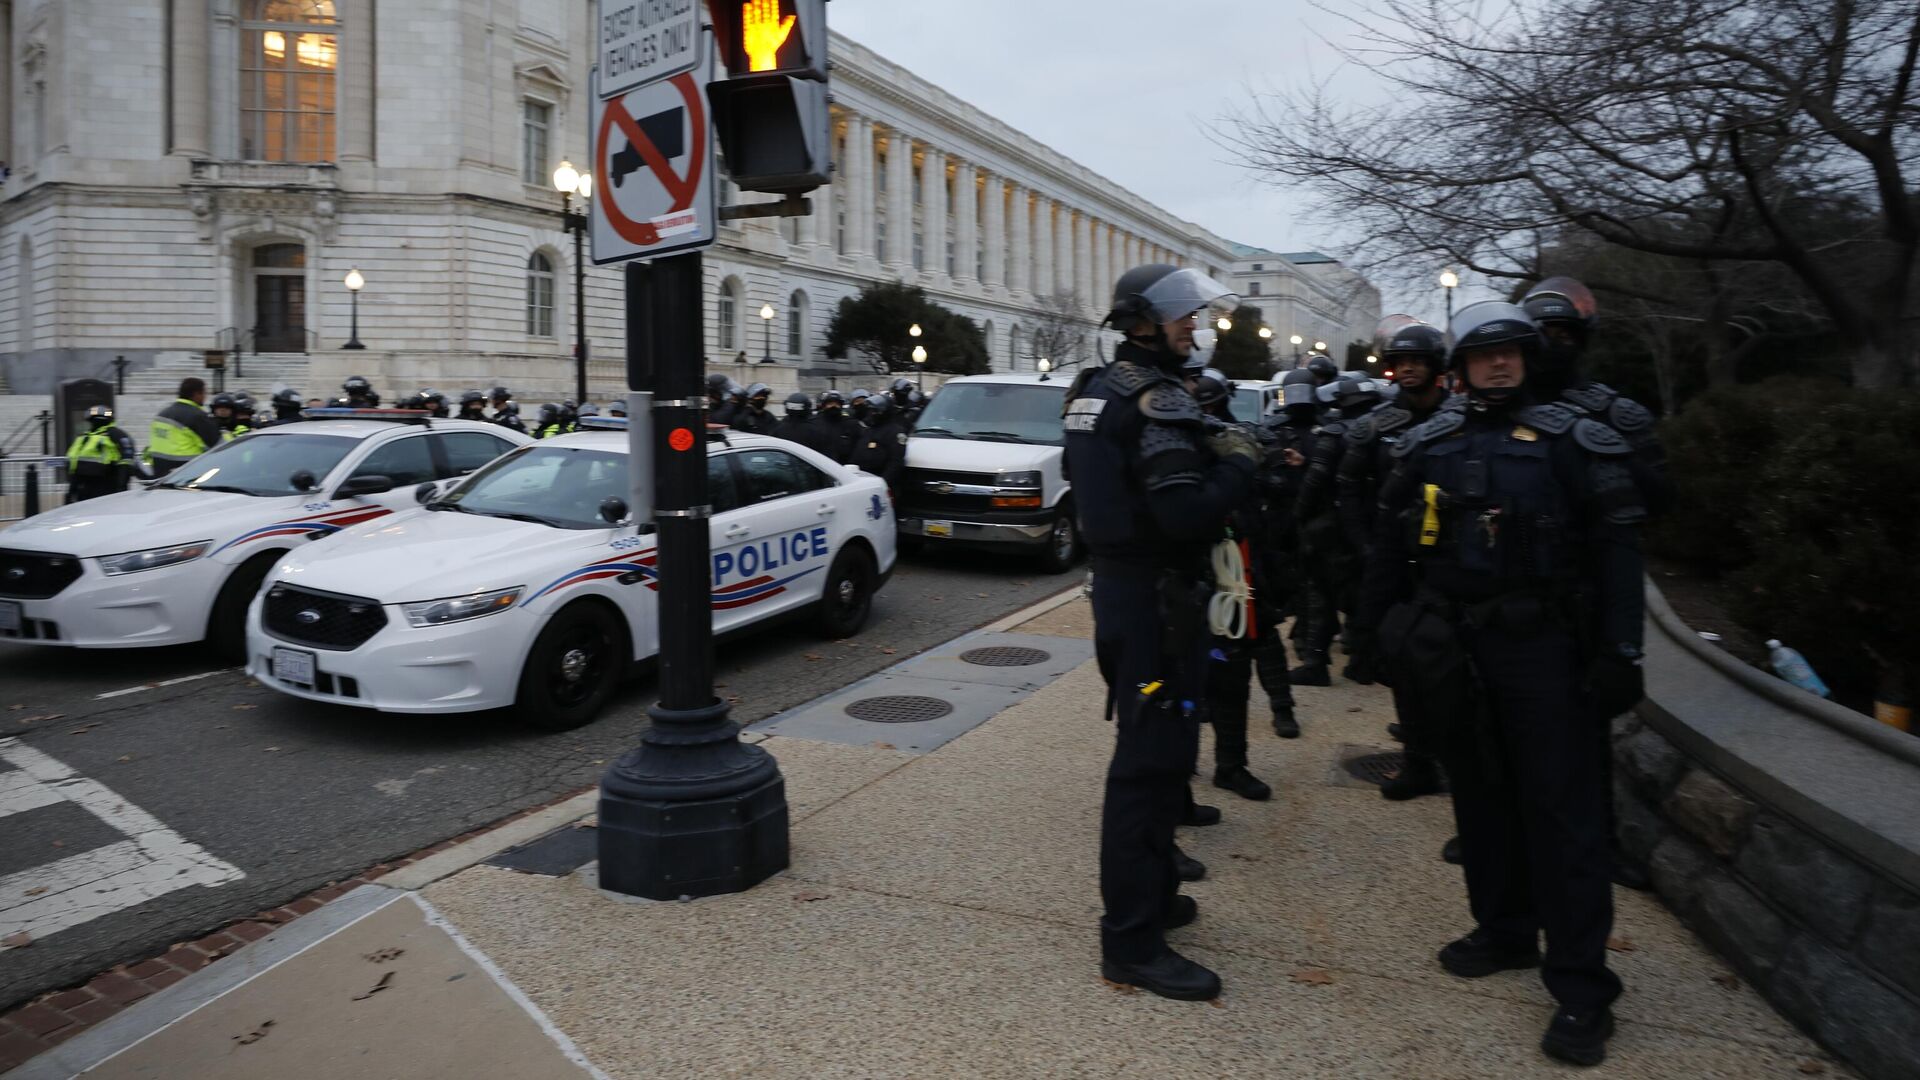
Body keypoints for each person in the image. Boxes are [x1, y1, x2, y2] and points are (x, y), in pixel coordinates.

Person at [1361, 301, 1646, 1067]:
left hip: (1547, 650)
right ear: (1461, 368)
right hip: (1458, 648)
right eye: (1483, 357)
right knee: (1481, 799)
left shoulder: (1577, 443)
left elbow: (1621, 553)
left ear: (1528, 359)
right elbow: (1389, 540)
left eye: (1510, 354)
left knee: (1565, 814)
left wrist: (1623, 651)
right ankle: (1506, 929)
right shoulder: (1430, 442)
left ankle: (1583, 987)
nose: (1498, 366)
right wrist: (1373, 633)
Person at [1066, 264, 1262, 1002]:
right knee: (1148, 773)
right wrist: (1239, 465)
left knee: (1160, 754)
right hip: (1156, 601)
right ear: (1145, 322)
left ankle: (1154, 900)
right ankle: (1132, 942)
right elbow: (1185, 513)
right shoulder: (1157, 399)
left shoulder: (1091, 388)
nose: (1195, 328)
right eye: (1185, 318)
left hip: (1124, 595)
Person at [1340, 319, 1451, 800]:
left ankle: (1463, 772)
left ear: (1435, 367)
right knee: (1404, 665)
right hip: (1396, 563)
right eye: (1399, 363)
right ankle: (1419, 762)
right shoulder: (1376, 426)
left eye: (1417, 362)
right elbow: (1345, 487)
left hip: (1454, 568)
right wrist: (1367, 545)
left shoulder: (1462, 417)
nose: (1407, 370)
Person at [1186, 367, 1274, 802]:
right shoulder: (1170, 441)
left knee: (1232, 667)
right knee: (1176, 679)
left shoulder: (1234, 441)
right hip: (1185, 574)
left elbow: (1256, 504)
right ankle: (1181, 769)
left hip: (1229, 571)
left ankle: (1231, 764)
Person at [1521, 278, 1672, 515]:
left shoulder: (1616, 413)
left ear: (1581, 341)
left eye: (1563, 336)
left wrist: (1609, 453)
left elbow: (1662, 499)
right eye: (1544, 336)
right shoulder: (1503, 409)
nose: (1552, 344)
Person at [146, 378, 220, 478]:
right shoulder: (197, 416)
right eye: (204, 393)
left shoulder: (162, 414)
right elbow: (216, 446)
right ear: (196, 394)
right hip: (187, 472)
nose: (205, 397)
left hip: (160, 472)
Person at [65, 406, 138, 501]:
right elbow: (73, 463)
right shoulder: (83, 438)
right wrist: (71, 491)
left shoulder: (116, 434)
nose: (97, 420)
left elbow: (127, 459)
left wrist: (121, 486)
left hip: (108, 486)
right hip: (83, 488)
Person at [849, 394, 908, 493]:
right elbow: (857, 454)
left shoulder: (896, 432)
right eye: (870, 410)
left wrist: (882, 483)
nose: (871, 413)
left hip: (883, 486)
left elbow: (895, 462)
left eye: (874, 411)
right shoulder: (868, 430)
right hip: (864, 482)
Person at [812, 389, 860, 463]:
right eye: (830, 404)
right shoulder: (815, 423)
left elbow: (858, 447)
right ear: (824, 406)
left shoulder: (851, 424)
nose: (833, 406)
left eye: (836, 404)